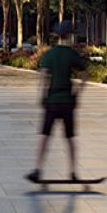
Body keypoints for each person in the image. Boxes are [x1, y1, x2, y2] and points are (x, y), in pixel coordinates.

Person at [27, 23, 86, 183]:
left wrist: (42, 95)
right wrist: (77, 93)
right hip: (67, 101)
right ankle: (73, 171)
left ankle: (38, 169)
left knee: (44, 136)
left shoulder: (49, 55)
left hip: (52, 101)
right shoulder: (72, 54)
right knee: (70, 138)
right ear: (69, 36)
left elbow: (43, 76)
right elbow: (84, 74)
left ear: (58, 36)